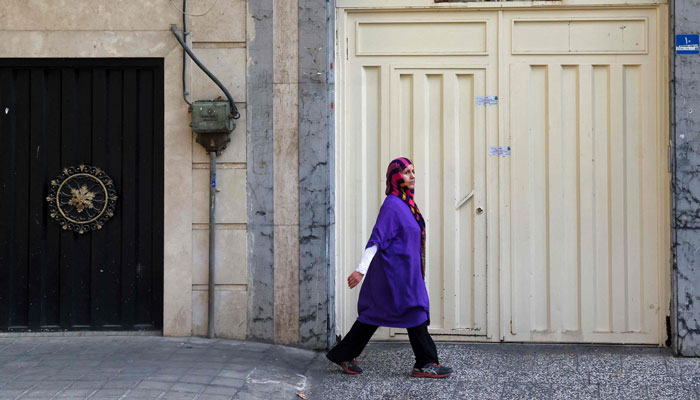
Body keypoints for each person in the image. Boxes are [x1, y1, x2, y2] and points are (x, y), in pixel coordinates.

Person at [326, 157, 453, 379]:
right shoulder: (393, 205)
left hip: (405, 273)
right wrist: (360, 270)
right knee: (415, 311)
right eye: (406, 172)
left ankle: (343, 354)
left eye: (413, 171)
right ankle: (424, 363)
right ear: (396, 177)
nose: (412, 176)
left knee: (378, 314)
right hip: (393, 275)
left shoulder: (407, 204)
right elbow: (377, 239)